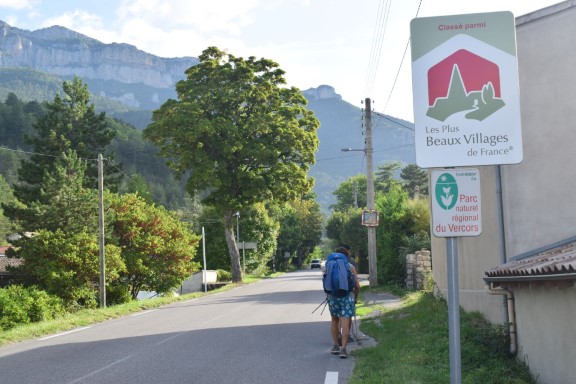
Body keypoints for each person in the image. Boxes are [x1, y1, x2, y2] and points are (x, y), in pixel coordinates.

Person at [327, 245, 360, 359]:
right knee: (345, 322)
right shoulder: (350, 266)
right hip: (347, 296)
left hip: (333, 297)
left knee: (334, 321)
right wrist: (355, 297)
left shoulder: (329, 266)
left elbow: (327, 284)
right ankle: (343, 349)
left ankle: (336, 345)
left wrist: (329, 296)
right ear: (346, 256)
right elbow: (357, 285)